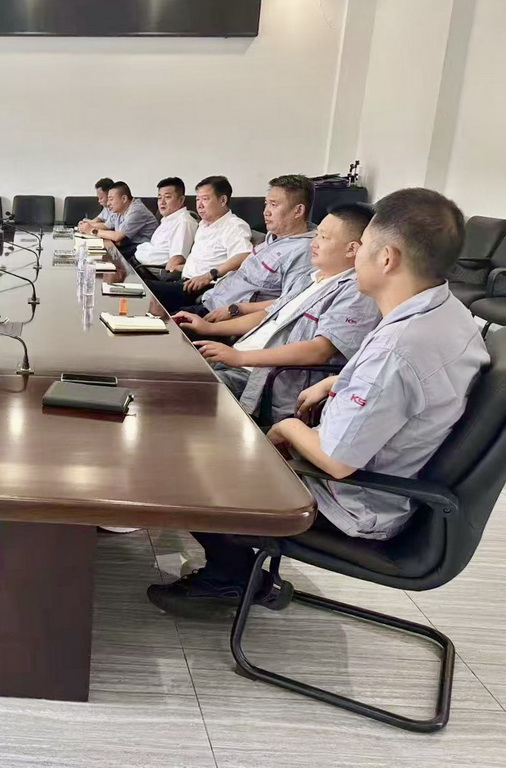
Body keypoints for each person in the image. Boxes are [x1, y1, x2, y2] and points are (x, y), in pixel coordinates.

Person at [148, 188, 489, 613]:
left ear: (387, 258)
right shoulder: (447, 314)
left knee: (181, 458)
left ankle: (229, 577)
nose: (355, 255)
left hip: (351, 500)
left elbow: (336, 459)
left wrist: (286, 427)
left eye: (363, 245)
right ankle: (237, 570)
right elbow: (411, 380)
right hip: (387, 481)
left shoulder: (397, 350)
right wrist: (338, 381)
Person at [175, 203, 380, 423]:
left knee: (175, 396)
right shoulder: (311, 278)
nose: (314, 243)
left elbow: (319, 350)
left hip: (259, 379)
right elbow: (270, 316)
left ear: (351, 249)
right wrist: (209, 328)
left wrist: (240, 358)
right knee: (167, 373)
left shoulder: (356, 291)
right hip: (236, 360)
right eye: (317, 235)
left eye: (324, 237)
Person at [179, 175, 318, 321]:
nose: (266, 212)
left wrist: (235, 309)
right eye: (266, 204)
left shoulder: (305, 251)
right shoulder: (272, 237)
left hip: (225, 317)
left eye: (274, 205)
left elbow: (291, 302)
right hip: (210, 298)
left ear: (298, 211)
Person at [145, 176, 252, 313]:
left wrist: (209, 275)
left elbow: (243, 255)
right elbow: (207, 259)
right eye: (197, 199)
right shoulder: (203, 224)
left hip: (203, 289)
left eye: (205, 199)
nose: (199, 205)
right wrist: (184, 266)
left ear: (223, 200)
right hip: (184, 281)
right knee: (139, 288)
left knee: (145, 289)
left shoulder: (234, 226)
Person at [132, 177, 197, 275]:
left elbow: (177, 259)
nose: (162, 202)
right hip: (139, 266)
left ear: (181, 199)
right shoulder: (168, 219)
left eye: (167, 197)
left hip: (149, 273)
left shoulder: (183, 222)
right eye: (159, 198)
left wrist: (164, 278)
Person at [88, 181, 159, 250]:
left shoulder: (136, 211)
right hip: (129, 246)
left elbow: (117, 236)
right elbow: (106, 226)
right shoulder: (119, 210)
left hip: (142, 249)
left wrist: (92, 230)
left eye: (111, 199)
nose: (108, 203)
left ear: (124, 199)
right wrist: (87, 225)